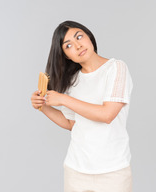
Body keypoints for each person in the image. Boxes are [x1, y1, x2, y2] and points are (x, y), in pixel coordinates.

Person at [30, 20, 133, 192]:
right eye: (68, 45)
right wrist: (43, 107)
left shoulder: (116, 68)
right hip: (76, 170)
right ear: (66, 56)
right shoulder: (71, 81)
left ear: (89, 36)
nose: (77, 46)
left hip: (112, 171)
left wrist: (62, 99)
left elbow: (107, 114)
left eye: (79, 37)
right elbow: (71, 123)